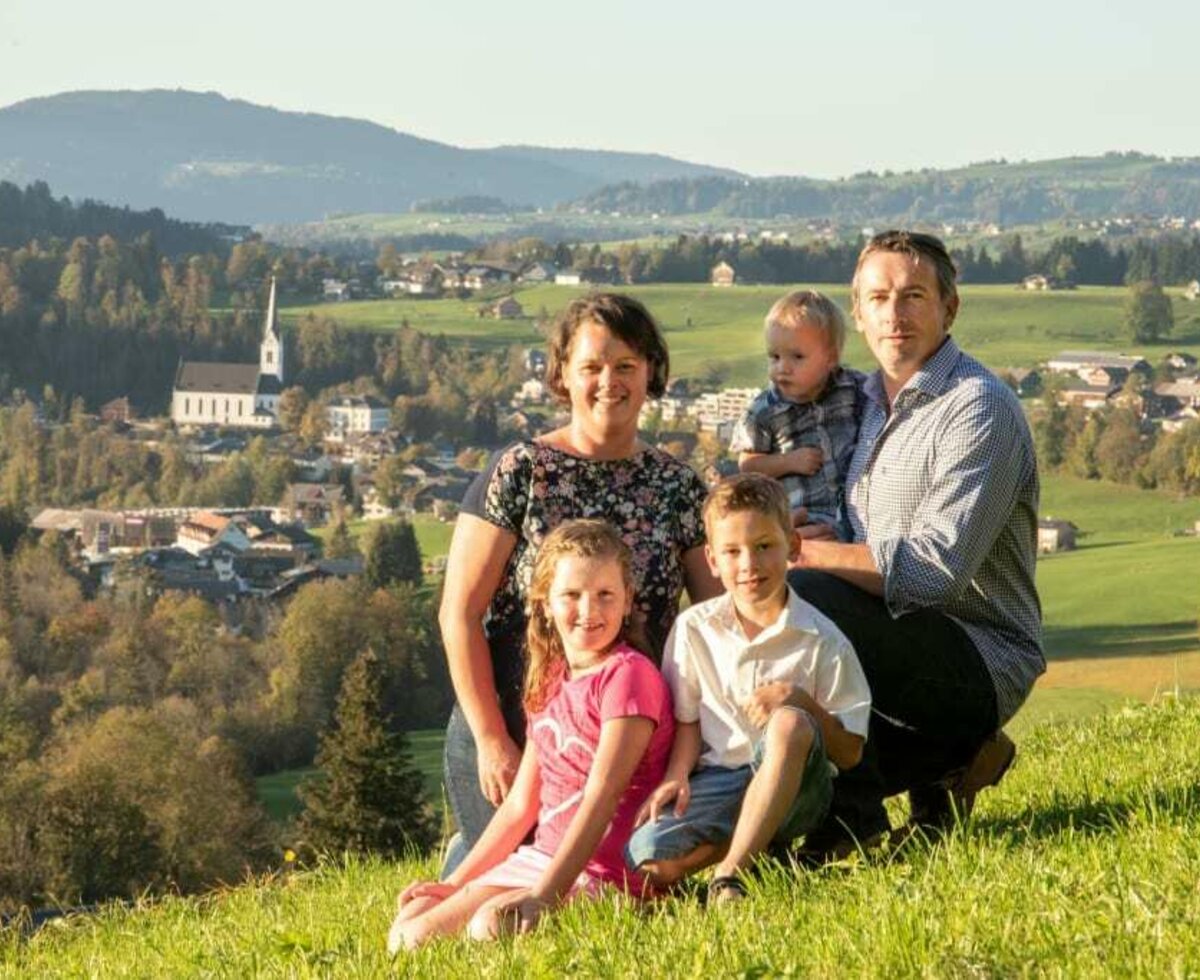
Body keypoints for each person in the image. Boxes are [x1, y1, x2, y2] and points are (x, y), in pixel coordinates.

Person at [439, 292, 719, 872]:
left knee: (588, 879)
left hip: (629, 732)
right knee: (503, 872)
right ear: (563, 376)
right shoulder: (520, 473)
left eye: (625, 366)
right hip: (518, 719)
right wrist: (492, 738)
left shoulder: (680, 487)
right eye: (591, 366)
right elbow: (459, 614)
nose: (607, 382)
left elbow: (713, 619)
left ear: (651, 373)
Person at [787, 230, 1043, 853]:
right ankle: (946, 769)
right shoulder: (870, 406)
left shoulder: (977, 407)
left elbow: (931, 574)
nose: (894, 314)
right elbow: (866, 541)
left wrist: (804, 557)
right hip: (897, 652)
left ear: (948, 308)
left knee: (797, 591)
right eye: (878, 297)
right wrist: (821, 537)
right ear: (859, 313)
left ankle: (854, 817)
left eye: (913, 295)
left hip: (978, 656)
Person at [389, 520, 675, 951]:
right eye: (572, 595)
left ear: (627, 600)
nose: (589, 610)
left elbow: (603, 795)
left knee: (490, 927)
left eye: (605, 595)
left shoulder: (629, 677)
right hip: (539, 859)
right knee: (409, 931)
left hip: (608, 874)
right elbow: (522, 805)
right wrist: (454, 883)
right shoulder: (550, 678)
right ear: (544, 603)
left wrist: (546, 895)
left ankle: (644, 917)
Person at [625, 474, 870, 900]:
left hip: (799, 788)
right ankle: (757, 847)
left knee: (789, 724)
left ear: (792, 547)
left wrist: (801, 702)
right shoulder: (694, 629)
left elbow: (850, 753)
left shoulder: (821, 638)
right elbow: (686, 721)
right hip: (719, 779)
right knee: (648, 859)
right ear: (712, 560)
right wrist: (677, 774)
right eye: (732, 552)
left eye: (764, 547)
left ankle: (731, 874)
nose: (748, 565)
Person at [731, 290, 864, 537]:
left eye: (797, 357)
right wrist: (788, 462)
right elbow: (748, 466)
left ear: (831, 358)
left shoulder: (852, 388)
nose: (783, 368)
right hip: (800, 520)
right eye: (775, 357)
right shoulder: (763, 410)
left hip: (857, 517)